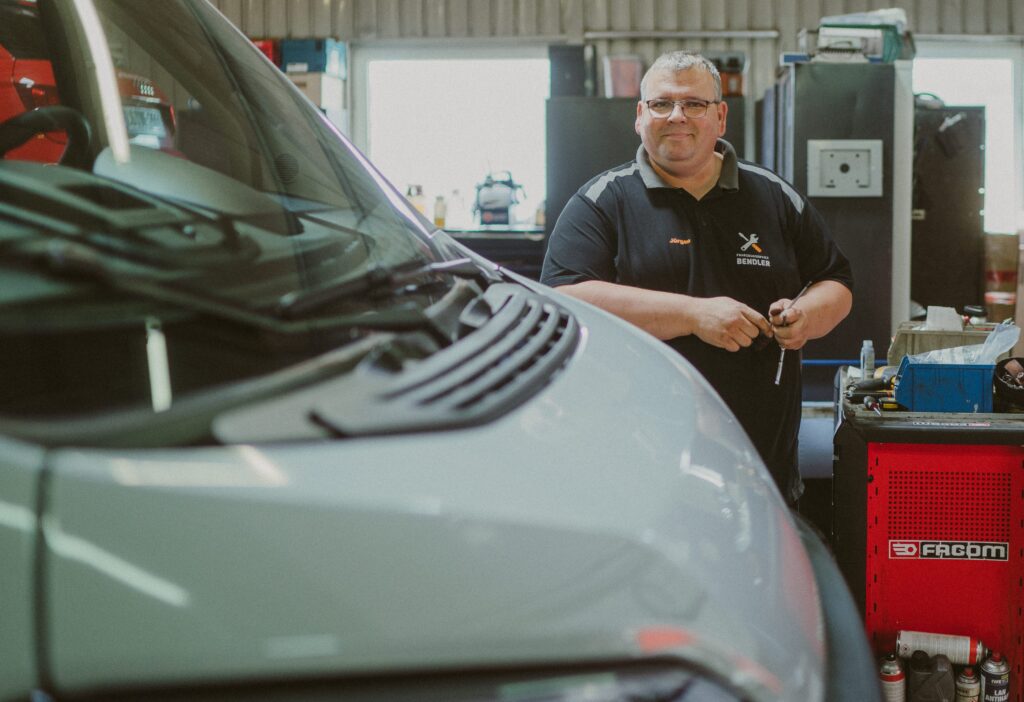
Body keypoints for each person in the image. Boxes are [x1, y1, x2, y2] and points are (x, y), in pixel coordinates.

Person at [541, 51, 853, 505]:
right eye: (661, 104)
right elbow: (566, 297)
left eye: (694, 104)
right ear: (640, 116)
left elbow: (835, 281)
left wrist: (806, 317)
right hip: (638, 461)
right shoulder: (603, 201)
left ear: (721, 116)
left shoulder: (774, 196)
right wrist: (693, 315)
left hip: (762, 458)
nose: (676, 117)